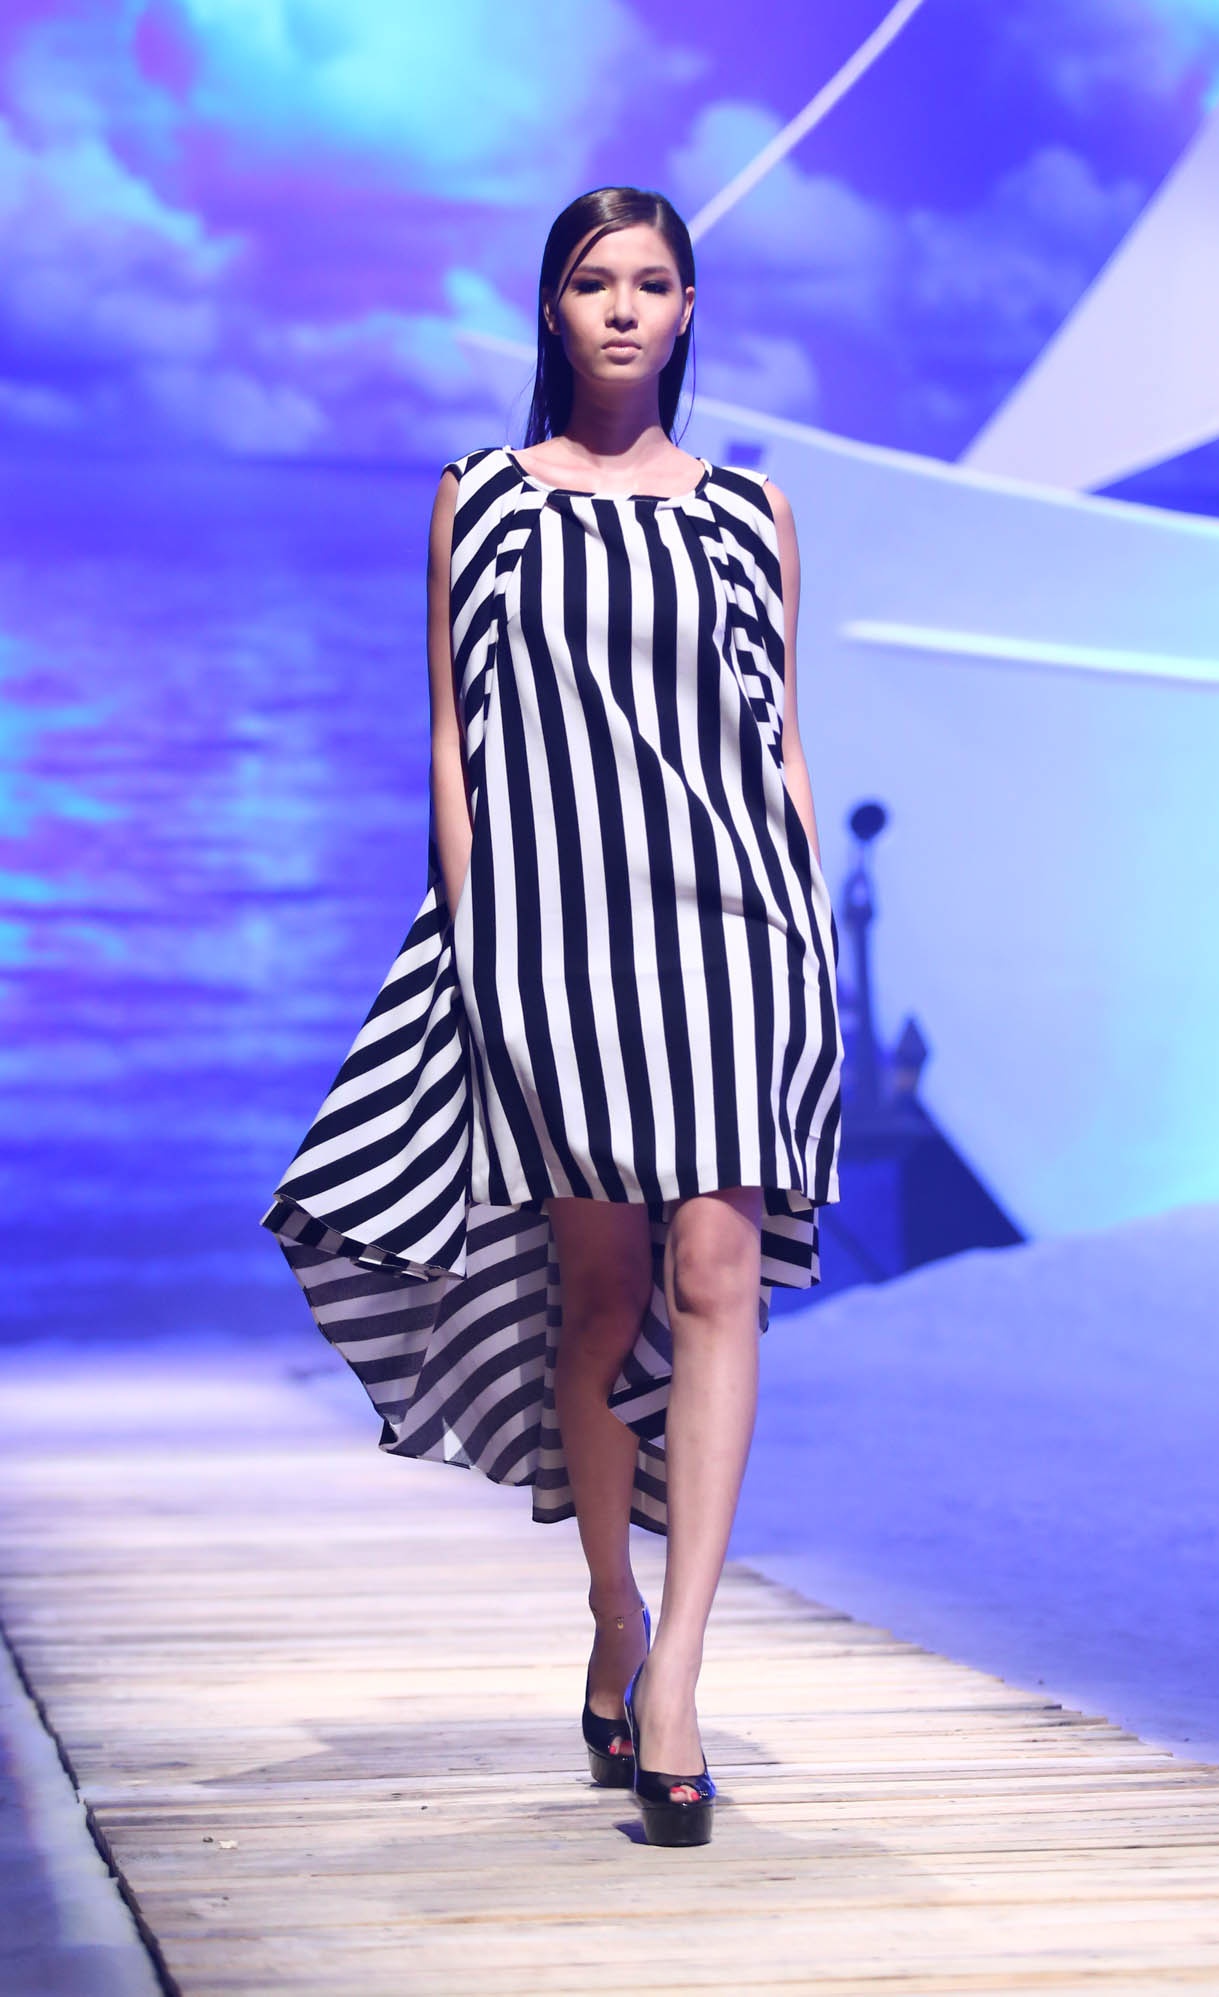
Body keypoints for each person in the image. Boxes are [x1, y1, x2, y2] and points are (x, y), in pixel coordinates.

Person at [262, 185, 842, 1848]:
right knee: (600, 1293)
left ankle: (680, 1679)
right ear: (550, 307)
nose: (623, 307)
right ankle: (612, 1608)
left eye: (653, 282)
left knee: (716, 1272)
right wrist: (476, 943)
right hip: (555, 946)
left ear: (687, 311)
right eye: (594, 280)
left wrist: (809, 940)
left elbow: (778, 743)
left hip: (733, 936)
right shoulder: (485, 499)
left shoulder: (751, 514)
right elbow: (455, 745)